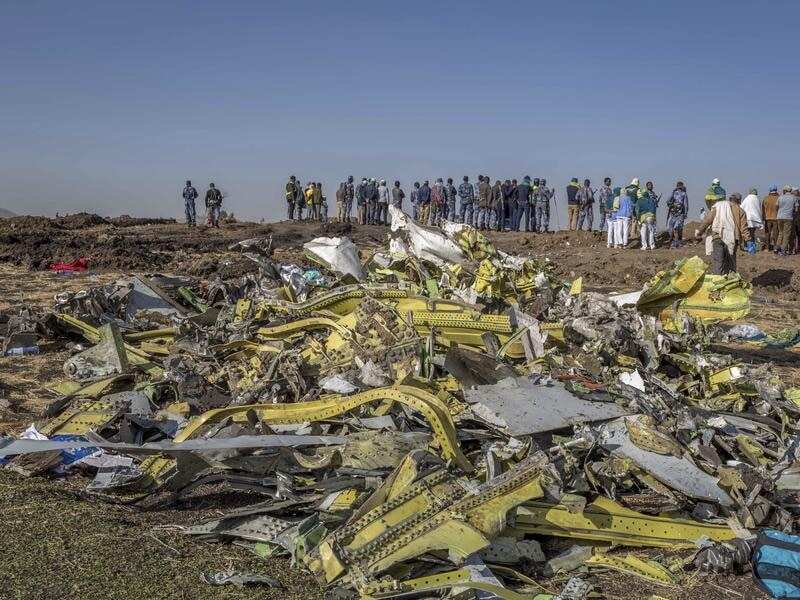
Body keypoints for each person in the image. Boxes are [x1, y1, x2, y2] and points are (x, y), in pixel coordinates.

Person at [695, 192, 755, 273]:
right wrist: (749, 241)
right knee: (730, 262)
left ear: (730, 199)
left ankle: (718, 281)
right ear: (739, 201)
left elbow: (707, 220)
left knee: (718, 262)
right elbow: (744, 229)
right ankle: (730, 281)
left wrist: (699, 232)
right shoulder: (741, 211)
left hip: (718, 237)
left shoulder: (719, 206)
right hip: (733, 239)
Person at [774, 186, 797, 255]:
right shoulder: (794, 198)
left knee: (781, 233)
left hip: (779, 217)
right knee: (786, 234)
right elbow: (796, 209)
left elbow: (776, 206)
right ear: (790, 191)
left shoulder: (780, 197)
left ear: (785, 190)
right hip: (788, 218)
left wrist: (779, 213)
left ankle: (776, 248)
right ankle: (783, 250)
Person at [666, 181, 689, 248]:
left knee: (678, 228)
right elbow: (668, 201)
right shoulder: (674, 193)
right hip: (673, 213)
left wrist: (685, 213)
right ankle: (674, 242)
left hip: (680, 214)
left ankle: (678, 242)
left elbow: (686, 205)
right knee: (671, 228)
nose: (679, 187)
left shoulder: (684, 194)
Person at [762, 185, 780, 251]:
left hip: (767, 218)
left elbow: (763, 209)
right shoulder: (779, 198)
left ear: (770, 190)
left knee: (767, 233)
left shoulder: (765, 198)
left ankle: (767, 247)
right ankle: (775, 247)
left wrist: (763, 218)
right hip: (776, 218)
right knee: (776, 233)